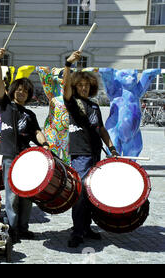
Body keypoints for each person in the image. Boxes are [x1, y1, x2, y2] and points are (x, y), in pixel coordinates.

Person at [63, 50, 119, 248]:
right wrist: (68, 65)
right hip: (80, 154)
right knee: (79, 193)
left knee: (90, 191)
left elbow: (101, 128)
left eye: (87, 85)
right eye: (80, 85)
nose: (84, 88)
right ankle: (77, 232)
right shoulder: (72, 102)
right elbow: (65, 91)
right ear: (75, 87)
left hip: (95, 153)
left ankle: (86, 227)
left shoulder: (94, 105)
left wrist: (111, 147)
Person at [0, 48, 50, 242]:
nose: (22, 92)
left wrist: (45, 144)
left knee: (27, 196)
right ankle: (11, 229)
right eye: (19, 89)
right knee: (11, 196)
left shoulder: (30, 114)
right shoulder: (5, 105)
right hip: (10, 156)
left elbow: (37, 132)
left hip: (26, 158)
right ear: (13, 91)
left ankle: (23, 228)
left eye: (26, 91)